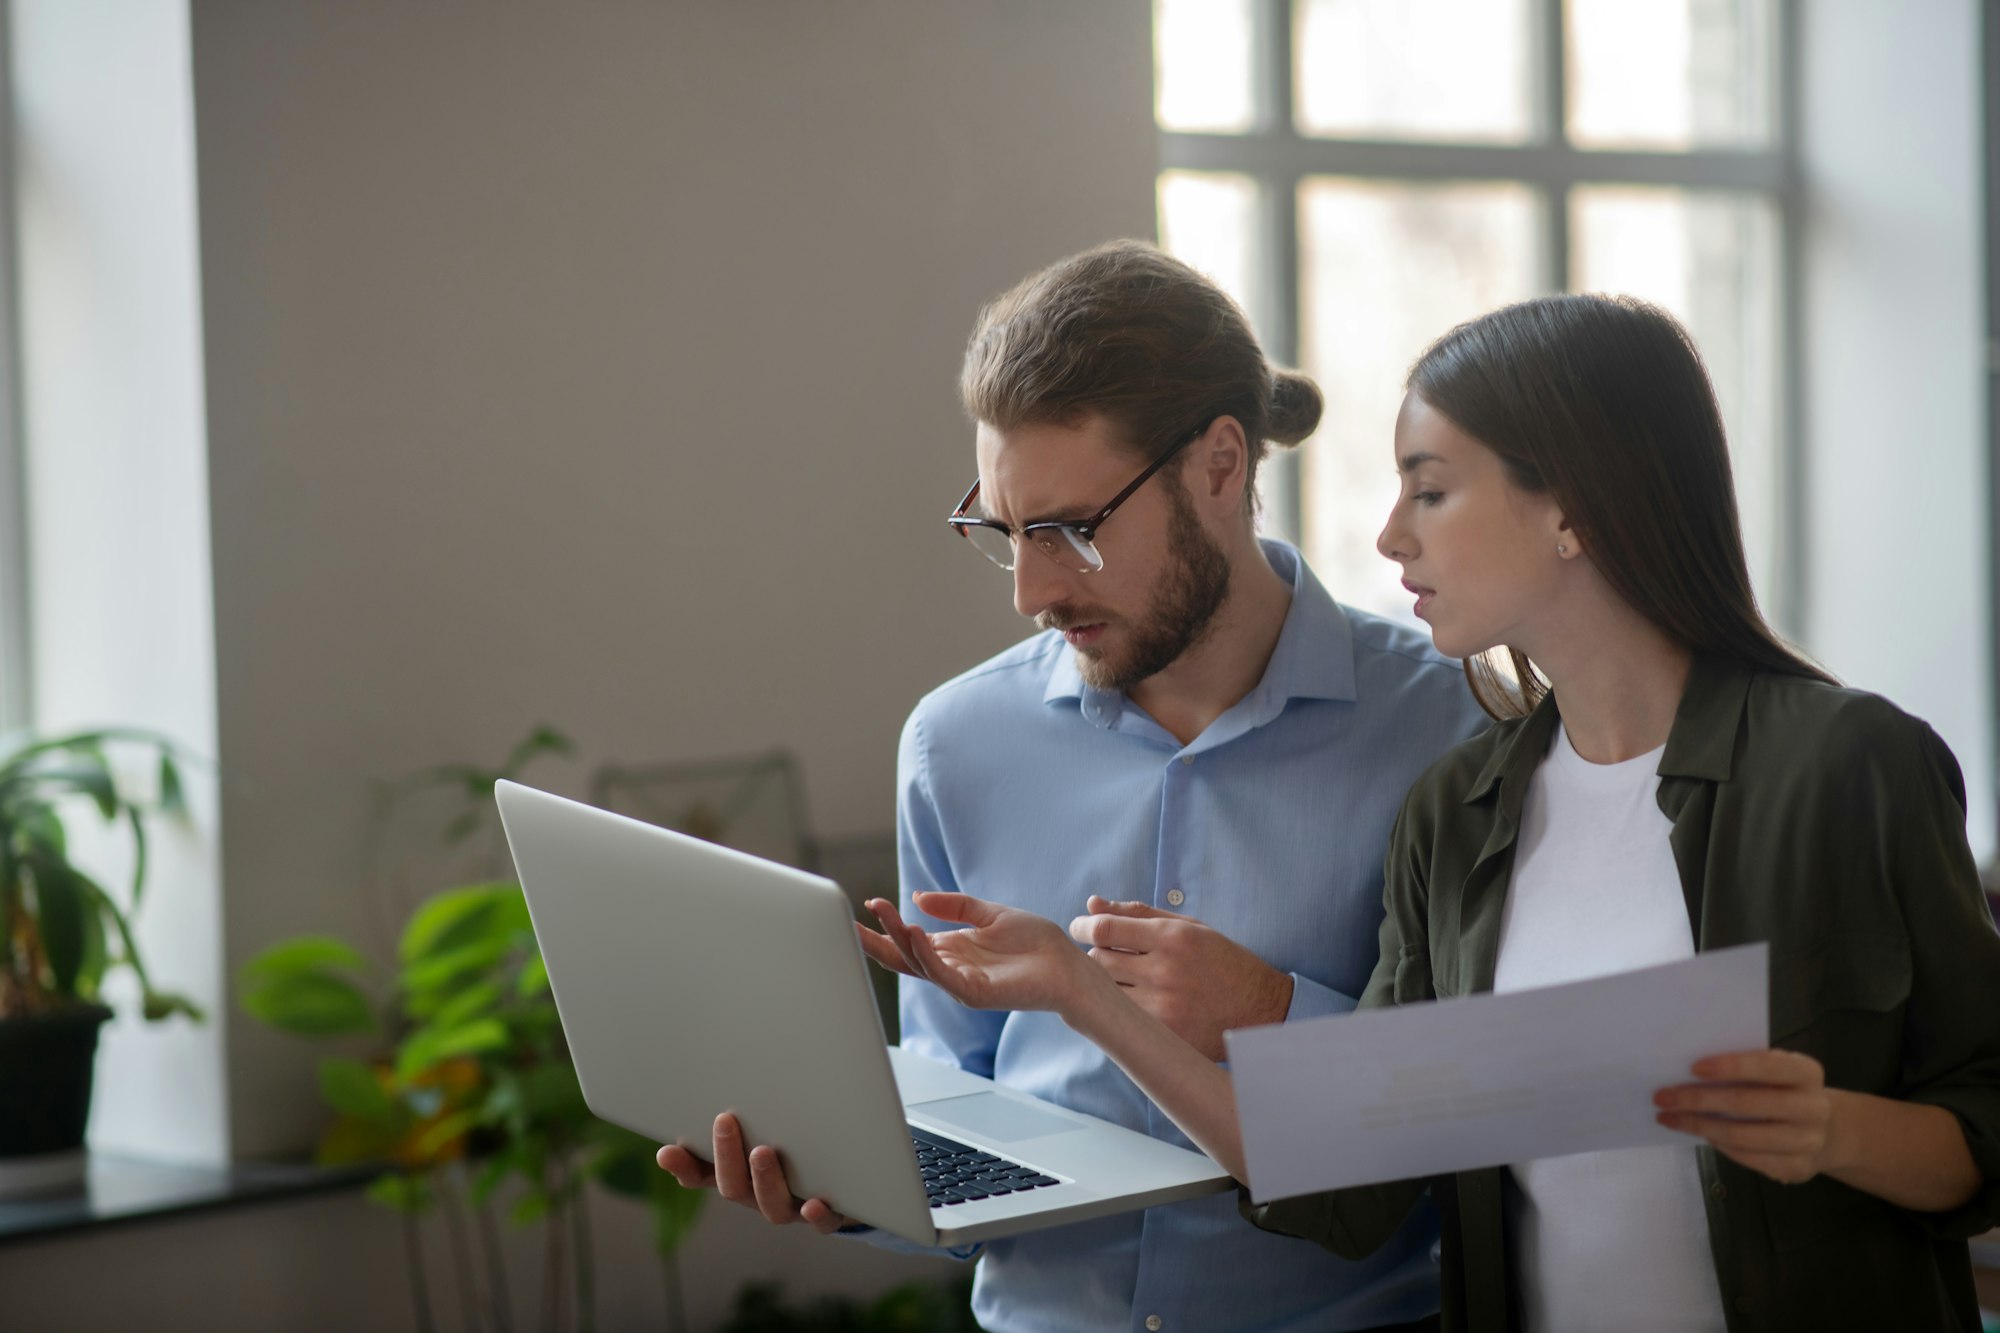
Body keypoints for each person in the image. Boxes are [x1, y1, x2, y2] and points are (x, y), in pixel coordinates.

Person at [858, 293, 2000, 1332]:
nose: (1388, 535)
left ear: (1574, 509)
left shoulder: (1846, 763)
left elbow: (1981, 1115)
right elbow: (1355, 1174)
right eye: (1005, 533)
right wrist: (1074, 990)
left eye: (1431, 489)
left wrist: (1833, 1131)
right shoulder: (1462, 807)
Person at [656, 240, 1491, 1333]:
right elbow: (949, 1096)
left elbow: (1479, 1105)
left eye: (1067, 532)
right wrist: (843, 1181)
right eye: (1004, 535)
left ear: (1220, 465)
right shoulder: (955, 742)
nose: (1030, 591)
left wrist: (1269, 1010)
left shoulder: (1452, 725)